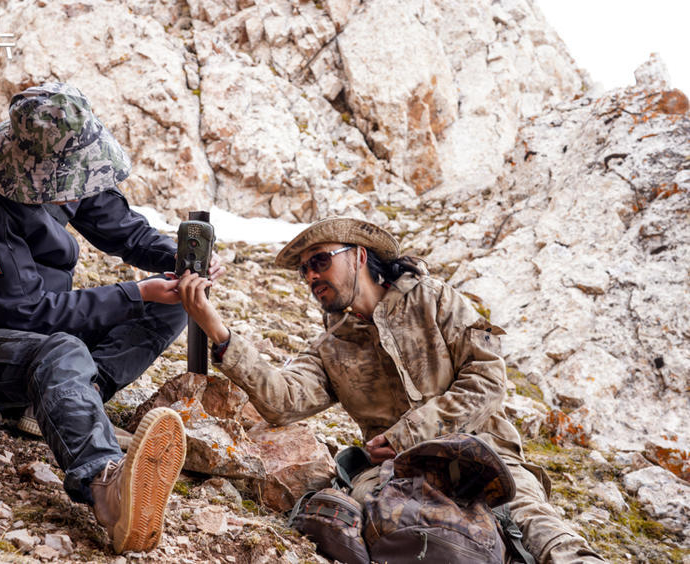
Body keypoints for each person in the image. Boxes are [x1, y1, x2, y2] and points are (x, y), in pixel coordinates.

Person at [177, 217, 604, 563]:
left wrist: (407, 435)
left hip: (485, 453)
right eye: (305, 269)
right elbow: (281, 402)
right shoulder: (331, 346)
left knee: (543, 534)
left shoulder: (437, 300)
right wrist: (216, 327)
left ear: (359, 256)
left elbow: (487, 381)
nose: (311, 275)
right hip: (394, 477)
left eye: (320, 261)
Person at [0, 82, 217, 553]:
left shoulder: (58, 164)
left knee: (167, 307)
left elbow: (120, 227)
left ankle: (72, 400)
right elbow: (24, 311)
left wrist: (180, 264)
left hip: (40, 331)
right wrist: (136, 291)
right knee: (63, 351)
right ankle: (107, 487)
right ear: (35, 169)